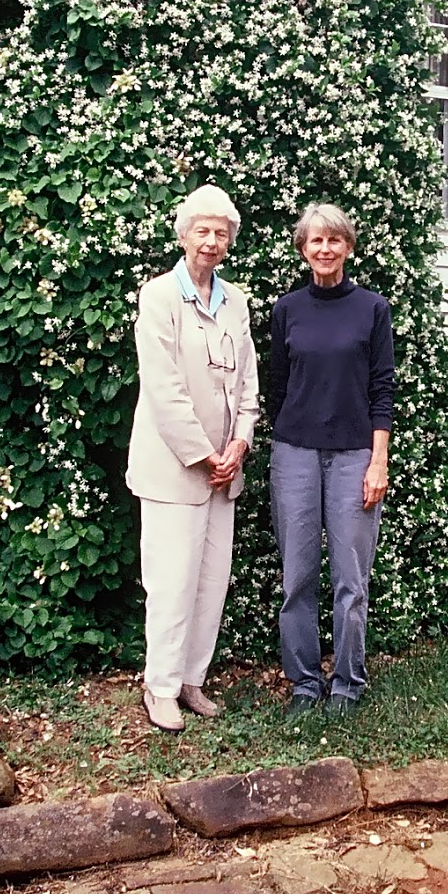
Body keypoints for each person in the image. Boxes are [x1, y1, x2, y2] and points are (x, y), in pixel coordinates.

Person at [126, 184, 259, 733]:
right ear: (183, 236)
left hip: (224, 473)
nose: (211, 241)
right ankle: (159, 687)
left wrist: (238, 446)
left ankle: (191, 680)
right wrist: (206, 456)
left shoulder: (236, 301)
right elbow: (164, 389)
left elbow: (247, 384)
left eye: (220, 233)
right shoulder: (158, 297)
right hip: (174, 472)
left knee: (210, 582)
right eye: (202, 230)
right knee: (171, 582)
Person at [269, 203, 394, 715]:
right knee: (297, 577)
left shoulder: (372, 309)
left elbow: (382, 389)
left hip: (354, 457)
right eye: (316, 241)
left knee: (350, 579)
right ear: (303, 249)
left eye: (334, 240)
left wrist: (378, 461)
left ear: (348, 247)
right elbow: (278, 385)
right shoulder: (287, 310)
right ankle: (304, 683)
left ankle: (347, 684)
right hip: (294, 455)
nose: (325, 249)